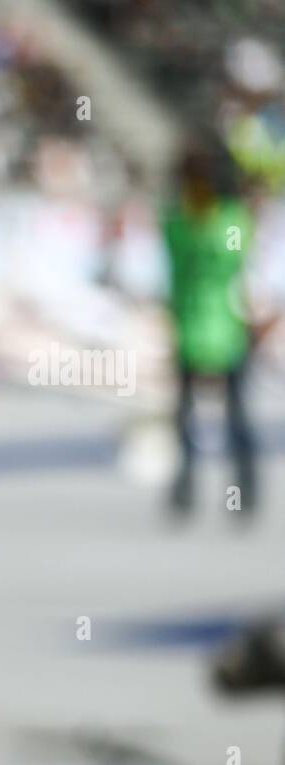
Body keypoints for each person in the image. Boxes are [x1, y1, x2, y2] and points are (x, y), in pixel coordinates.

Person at [161, 139, 259, 516]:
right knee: (198, 413)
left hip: (217, 325)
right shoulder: (200, 218)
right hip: (204, 325)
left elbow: (227, 259)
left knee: (225, 414)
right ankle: (194, 488)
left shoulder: (207, 219)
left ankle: (236, 490)